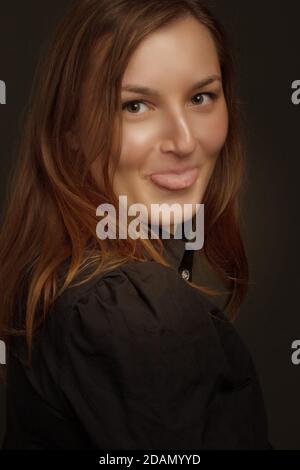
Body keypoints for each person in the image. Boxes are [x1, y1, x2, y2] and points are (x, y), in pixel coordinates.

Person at [0, 0, 271, 449]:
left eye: (201, 97)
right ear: (69, 128)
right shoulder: (126, 308)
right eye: (135, 106)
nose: (184, 141)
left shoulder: (62, 276)